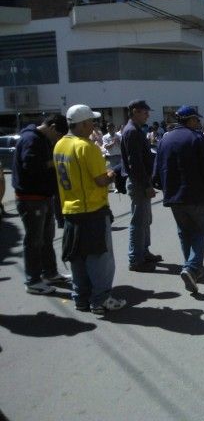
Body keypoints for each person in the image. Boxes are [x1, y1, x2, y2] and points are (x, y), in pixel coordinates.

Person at [53, 105, 126, 314]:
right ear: (83, 124)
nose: (94, 126)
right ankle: (101, 299)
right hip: (92, 209)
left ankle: (80, 298)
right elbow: (101, 180)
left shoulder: (60, 145)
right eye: (91, 122)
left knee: (78, 257)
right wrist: (113, 172)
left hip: (70, 209)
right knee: (99, 258)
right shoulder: (86, 146)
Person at [153, 106, 204, 293]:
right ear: (190, 120)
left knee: (185, 233)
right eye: (196, 120)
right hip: (195, 195)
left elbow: (157, 169)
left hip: (173, 196)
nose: (198, 123)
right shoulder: (197, 138)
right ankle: (191, 268)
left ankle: (191, 269)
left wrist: (161, 186)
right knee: (202, 231)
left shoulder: (165, 139)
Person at [12, 114, 69, 295]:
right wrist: (53, 162)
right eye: (58, 135)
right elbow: (30, 166)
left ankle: (50, 273)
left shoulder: (41, 139)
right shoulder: (31, 139)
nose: (57, 139)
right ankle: (33, 280)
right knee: (34, 241)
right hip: (31, 198)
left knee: (46, 239)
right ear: (52, 127)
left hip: (43, 197)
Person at [120, 99, 161, 273]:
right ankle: (135, 259)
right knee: (138, 221)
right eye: (145, 112)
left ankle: (144, 251)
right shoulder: (131, 131)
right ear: (135, 111)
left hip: (141, 181)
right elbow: (135, 163)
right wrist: (146, 185)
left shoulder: (136, 130)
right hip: (138, 183)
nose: (148, 115)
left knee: (145, 220)